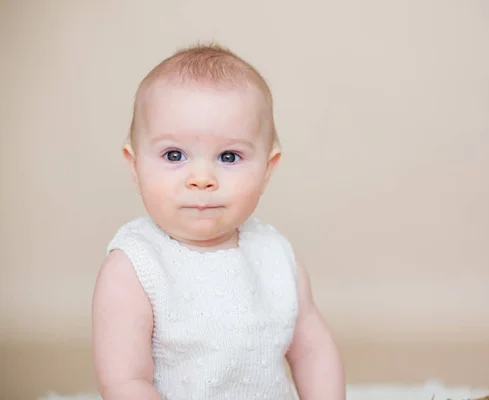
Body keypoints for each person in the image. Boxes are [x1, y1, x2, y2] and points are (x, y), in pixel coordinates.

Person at [91, 43, 346, 400]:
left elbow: (311, 350)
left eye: (229, 156)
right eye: (174, 155)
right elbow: (125, 382)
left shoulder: (275, 255)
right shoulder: (135, 266)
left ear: (267, 169)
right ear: (134, 166)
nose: (201, 178)